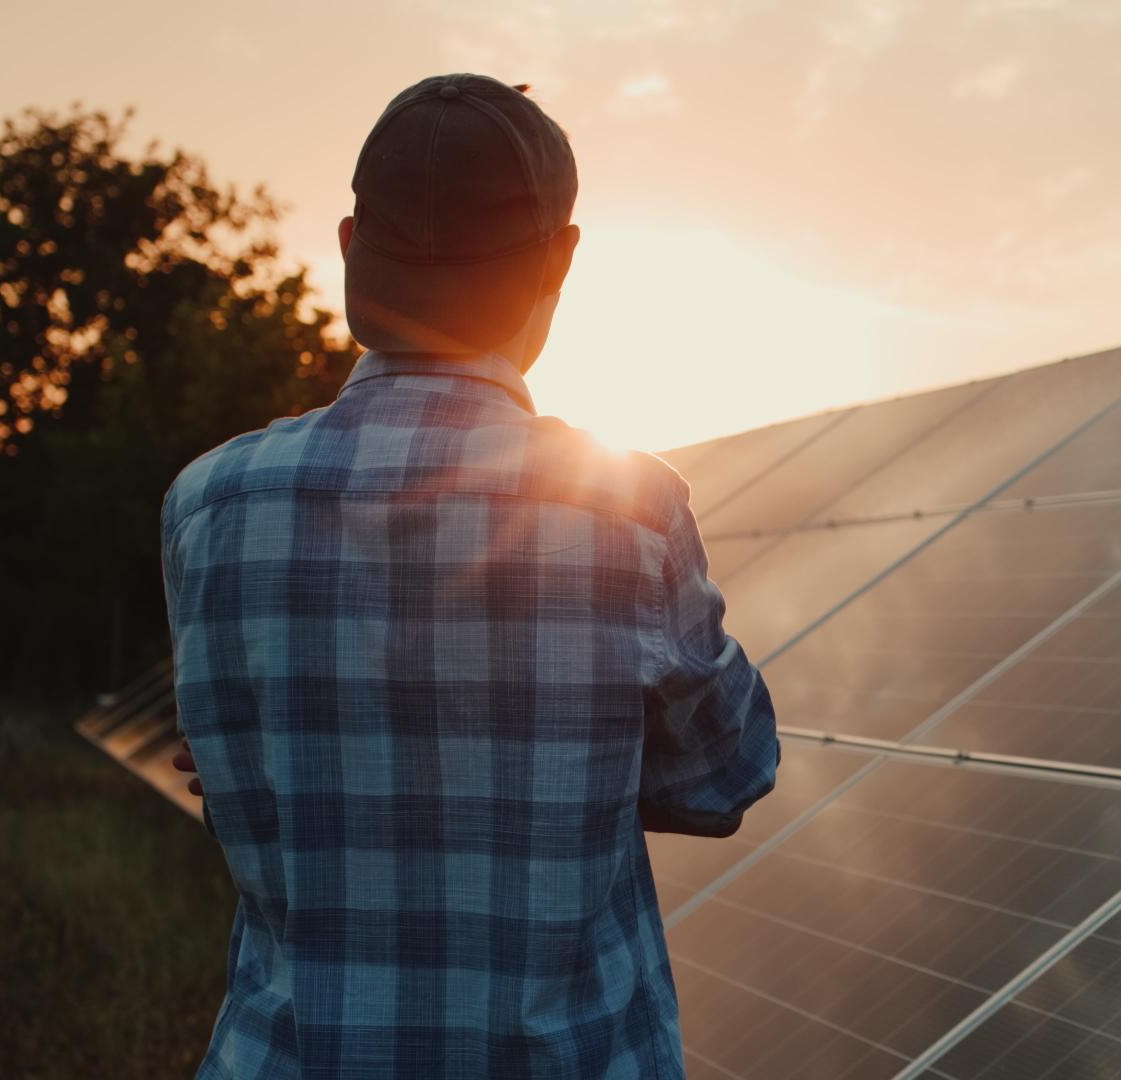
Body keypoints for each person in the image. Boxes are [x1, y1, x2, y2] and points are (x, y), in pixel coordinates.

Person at [160, 72, 778, 1079]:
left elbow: (240, 783)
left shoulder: (207, 507)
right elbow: (726, 779)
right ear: (558, 260)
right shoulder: (624, 509)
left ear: (352, 248)